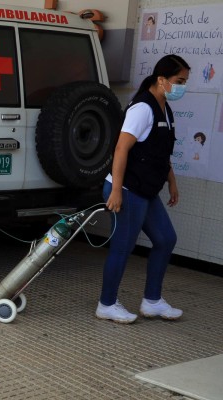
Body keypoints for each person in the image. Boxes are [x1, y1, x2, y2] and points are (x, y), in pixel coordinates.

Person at [96, 54, 190, 324]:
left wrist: (171, 180)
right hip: (126, 189)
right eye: (179, 81)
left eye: (185, 81)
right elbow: (121, 148)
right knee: (123, 246)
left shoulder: (164, 108)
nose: (182, 86)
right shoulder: (142, 108)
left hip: (145, 190)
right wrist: (115, 191)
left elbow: (160, 151)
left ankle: (152, 301)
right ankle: (107, 304)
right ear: (162, 80)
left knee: (165, 239)